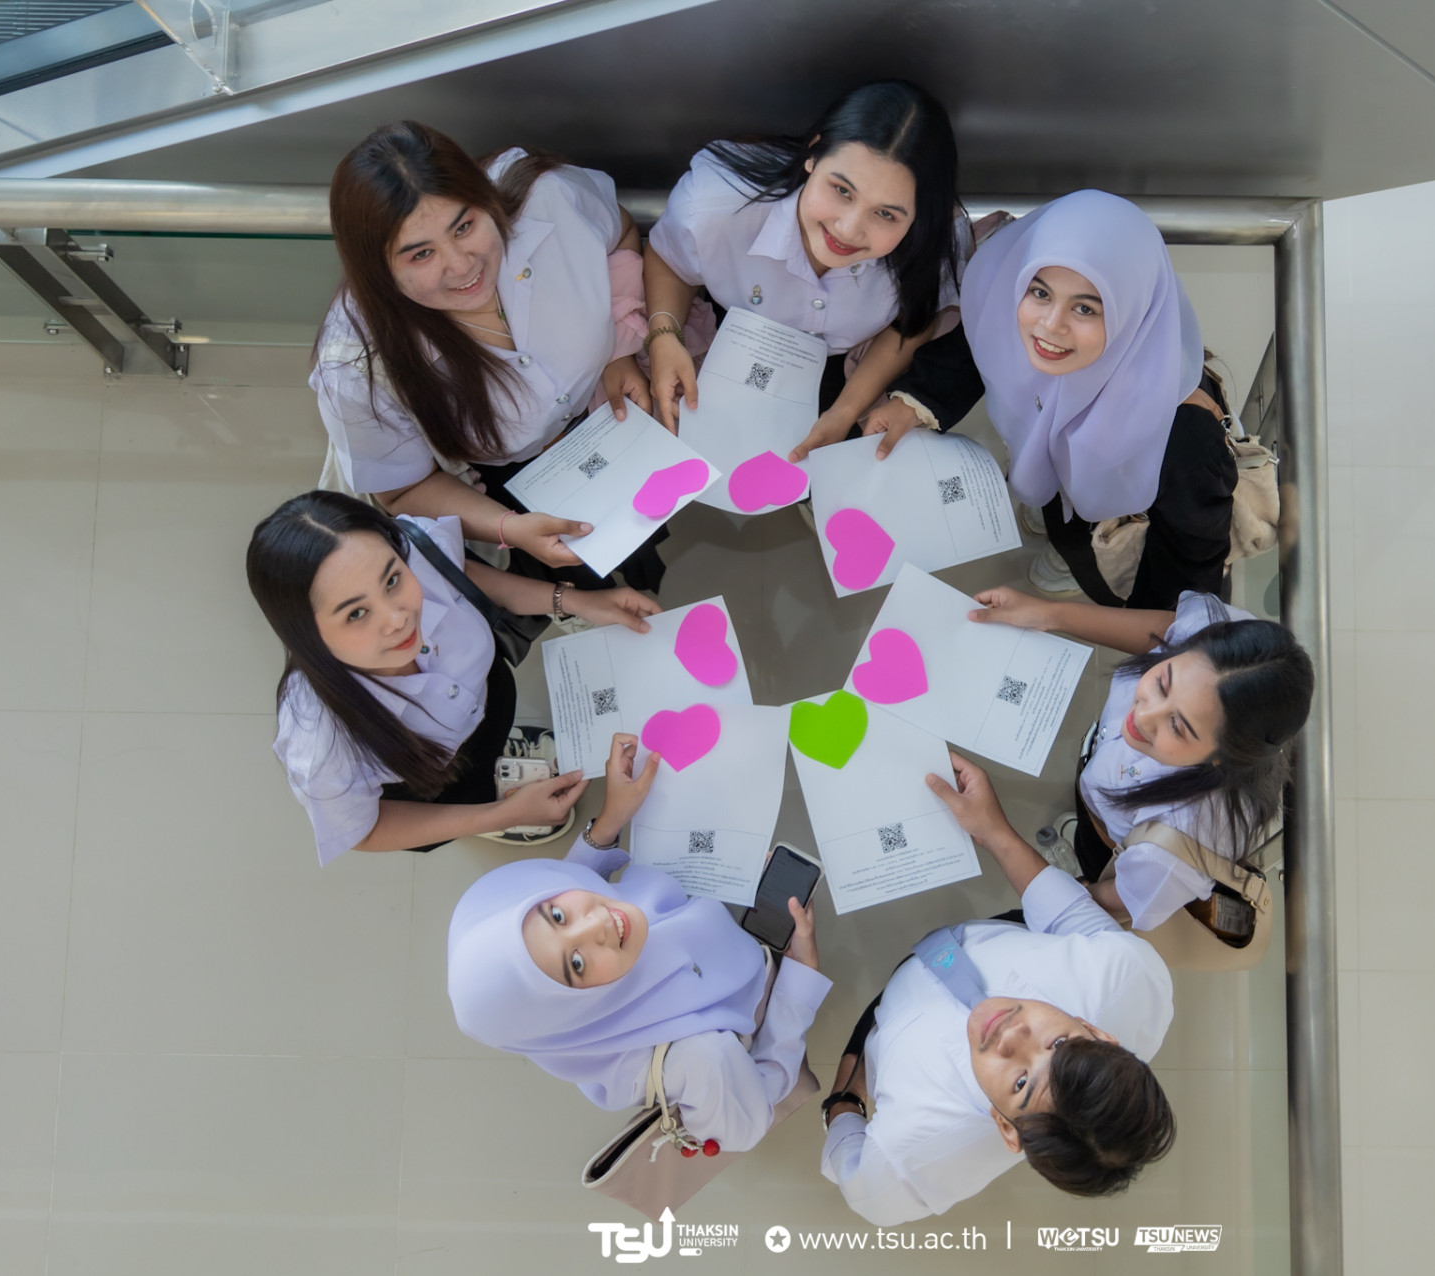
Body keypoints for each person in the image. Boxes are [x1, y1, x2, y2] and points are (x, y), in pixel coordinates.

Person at [819, 753, 1176, 1225]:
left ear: (1008, 1130)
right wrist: (993, 831)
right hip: (993, 933)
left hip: (884, 1020)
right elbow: (1073, 916)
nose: (1010, 1036)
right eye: (1059, 1043)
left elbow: (856, 1176)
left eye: (1021, 1083)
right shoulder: (1132, 981)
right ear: (1099, 1033)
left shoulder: (912, 1164)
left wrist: (845, 1101)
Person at [313, 121, 668, 592]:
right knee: (585, 582)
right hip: (503, 490)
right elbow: (403, 488)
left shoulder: (550, 198)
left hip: (608, 422)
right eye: (420, 255)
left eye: (464, 227)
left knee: (640, 536)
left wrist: (618, 352)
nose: (462, 266)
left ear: (487, 200)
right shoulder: (357, 369)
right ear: (376, 269)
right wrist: (509, 528)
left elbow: (619, 233)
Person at [249, 490, 658, 865]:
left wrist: (574, 600)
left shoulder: (415, 551)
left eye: (392, 580)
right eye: (356, 613)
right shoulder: (319, 739)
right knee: (471, 792)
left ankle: (504, 758)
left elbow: (457, 574)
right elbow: (365, 828)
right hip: (430, 788)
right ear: (304, 633)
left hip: (490, 697)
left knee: (492, 738)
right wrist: (501, 814)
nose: (398, 619)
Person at [901, 188, 1236, 608]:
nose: (1050, 326)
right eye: (1040, 292)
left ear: (1132, 313)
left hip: (1114, 533)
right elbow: (981, 339)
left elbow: (1183, 589)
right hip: (1066, 495)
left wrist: (1055, 616)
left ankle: (1072, 553)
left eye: (1086, 309)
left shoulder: (1185, 440)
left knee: (1081, 543)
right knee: (1059, 509)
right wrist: (910, 401)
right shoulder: (1036, 331)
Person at [446, 821, 830, 1156]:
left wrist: (607, 822)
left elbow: (561, 887)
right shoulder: (701, 1059)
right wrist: (800, 976)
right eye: (576, 964)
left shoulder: (571, 1004)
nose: (596, 925)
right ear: (571, 1007)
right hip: (756, 1002)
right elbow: (752, 1116)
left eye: (557, 915)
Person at [642, 80, 967, 461]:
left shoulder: (935, 243)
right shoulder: (714, 207)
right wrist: (664, 335)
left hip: (850, 365)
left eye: (885, 214)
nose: (847, 229)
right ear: (814, 154)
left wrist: (844, 412)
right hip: (730, 339)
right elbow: (670, 260)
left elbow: (910, 324)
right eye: (841, 190)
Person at [966, 584, 1313, 931]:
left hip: (1113, 846)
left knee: (1089, 853)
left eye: (1177, 726)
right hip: (1103, 790)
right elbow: (1168, 632)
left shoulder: (1173, 849)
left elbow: (1112, 903)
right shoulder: (1233, 655)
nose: (1143, 716)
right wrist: (1047, 614)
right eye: (1163, 681)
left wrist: (998, 835)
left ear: (1223, 758)